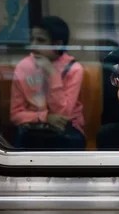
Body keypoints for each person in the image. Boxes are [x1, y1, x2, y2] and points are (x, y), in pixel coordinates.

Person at [10, 16, 85, 150]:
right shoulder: (23, 67)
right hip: (33, 129)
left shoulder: (74, 69)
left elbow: (63, 113)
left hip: (66, 131)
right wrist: (45, 117)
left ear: (58, 44)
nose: (33, 45)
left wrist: (52, 73)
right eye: (32, 39)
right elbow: (15, 115)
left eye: (40, 40)